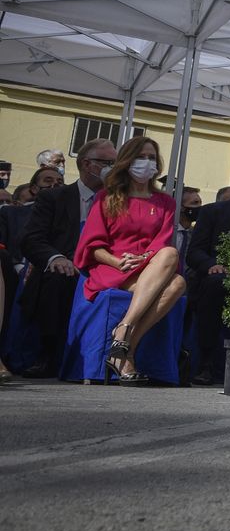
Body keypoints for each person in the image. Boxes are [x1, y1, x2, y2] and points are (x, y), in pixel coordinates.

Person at [72, 137, 186, 383]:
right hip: (113, 266)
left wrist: (145, 258)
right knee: (175, 282)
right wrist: (117, 262)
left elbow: (162, 242)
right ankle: (126, 347)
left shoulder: (165, 201)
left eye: (151, 158)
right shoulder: (106, 197)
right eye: (141, 157)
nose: (147, 163)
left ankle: (124, 339)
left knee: (172, 262)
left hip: (149, 265)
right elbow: (92, 245)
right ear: (127, 161)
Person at [17, 138, 116, 376]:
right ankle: (48, 353)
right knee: (56, 278)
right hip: (66, 267)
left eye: (115, 162)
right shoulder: (54, 198)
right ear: (86, 164)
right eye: (106, 162)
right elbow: (31, 239)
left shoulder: (118, 201)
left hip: (105, 267)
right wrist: (55, 258)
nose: (112, 168)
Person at [186, 159, 230, 386]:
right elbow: (195, 251)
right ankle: (206, 362)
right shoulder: (213, 212)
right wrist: (211, 264)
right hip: (220, 276)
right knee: (216, 284)